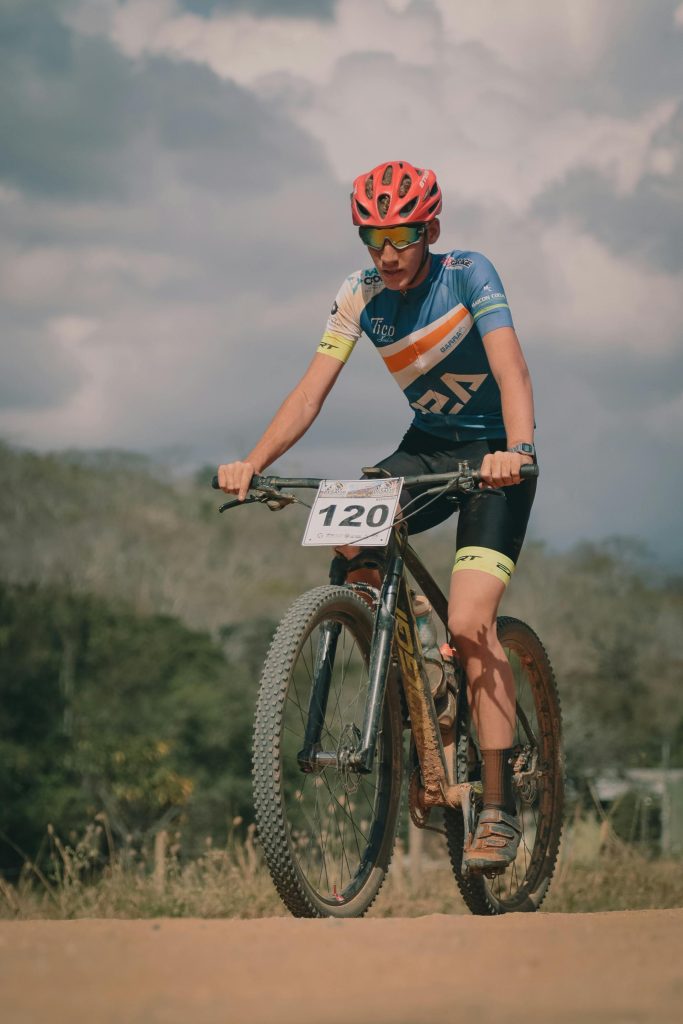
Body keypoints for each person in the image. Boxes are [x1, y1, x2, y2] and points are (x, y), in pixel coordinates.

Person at [217, 160, 537, 872]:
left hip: (492, 457)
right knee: (348, 532)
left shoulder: (468, 274)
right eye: (372, 237)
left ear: (430, 230)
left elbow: (510, 369)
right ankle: (411, 690)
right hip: (426, 448)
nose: (386, 252)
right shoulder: (359, 294)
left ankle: (497, 806)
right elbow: (310, 393)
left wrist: (516, 450)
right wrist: (253, 461)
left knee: (470, 623)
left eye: (400, 235)